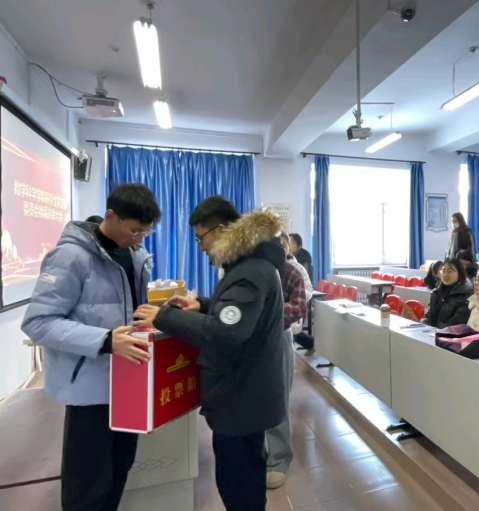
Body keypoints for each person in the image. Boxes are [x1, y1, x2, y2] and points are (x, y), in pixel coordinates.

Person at [133, 197, 286, 511]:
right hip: (246, 391)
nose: (201, 247)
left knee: (239, 482)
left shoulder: (249, 271)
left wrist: (163, 317)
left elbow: (227, 332)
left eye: (201, 237)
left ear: (222, 229)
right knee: (243, 475)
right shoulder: (248, 265)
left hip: (242, 395)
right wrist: (201, 305)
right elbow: (236, 314)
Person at [21, 184, 161, 511]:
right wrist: (105, 340)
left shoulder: (135, 255)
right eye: (134, 230)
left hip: (129, 382)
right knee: (87, 483)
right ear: (111, 215)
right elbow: (39, 322)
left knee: (119, 469)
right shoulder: (70, 256)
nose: (138, 238)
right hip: (89, 388)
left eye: (145, 232)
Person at [266, 235, 308, 490]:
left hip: (278, 336)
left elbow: (300, 306)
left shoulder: (291, 271)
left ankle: (277, 460)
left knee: (278, 399)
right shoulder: (248, 268)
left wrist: (265, 314)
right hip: (249, 339)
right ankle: (257, 453)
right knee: (253, 399)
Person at [422, 258, 472, 328]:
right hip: (432, 332)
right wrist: (423, 325)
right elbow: (428, 316)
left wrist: (434, 330)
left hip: (449, 333)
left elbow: (456, 324)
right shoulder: (437, 292)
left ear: (459, 273)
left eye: (450, 271)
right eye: (443, 271)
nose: (446, 274)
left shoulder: (466, 294)